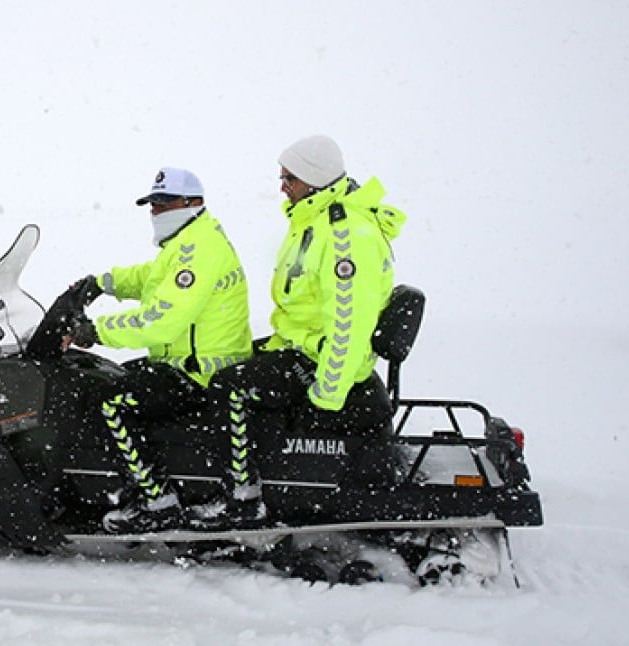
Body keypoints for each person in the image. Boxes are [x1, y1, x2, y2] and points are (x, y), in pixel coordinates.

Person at [206, 135, 407, 522]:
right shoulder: (314, 220)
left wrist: (326, 398)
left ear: (314, 179)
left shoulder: (344, 235)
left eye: (289, 178)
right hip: (300, 346)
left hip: (317, 360)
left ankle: (243, 497)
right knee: (229, 362)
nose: (282, 186)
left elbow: (349, 324)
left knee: (227, 386)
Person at [64, 167, 253, 533]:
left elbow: (161, 320)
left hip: (200, 373)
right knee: (110, 378)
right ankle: (134, 483)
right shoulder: (188, 242)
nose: (156, 212)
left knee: (110, 402)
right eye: (153, 205)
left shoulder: (200, 250)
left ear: (192, 203)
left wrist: (96, 331)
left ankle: (157, 500)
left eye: (165, 204)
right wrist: (102, 283)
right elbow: (152, 278)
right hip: (180, 362)